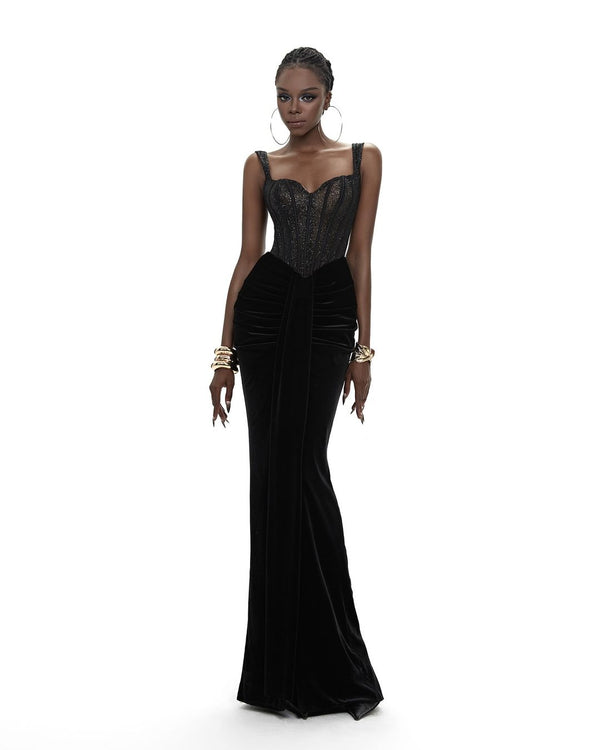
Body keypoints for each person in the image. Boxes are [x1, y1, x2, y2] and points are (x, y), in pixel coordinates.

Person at [209, 47, 384, 720]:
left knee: (305, 464)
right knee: (272, 472)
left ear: (328, 97)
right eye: (284, 96)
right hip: (267, 315)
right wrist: (224, 354)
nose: (294, 108)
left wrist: (363, 349)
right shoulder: (261, 165)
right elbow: (248, 256)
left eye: (307, 96)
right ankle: (274, 669)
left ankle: (330, 657)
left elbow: (360, 254)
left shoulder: (364, 158)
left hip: (330, 314)